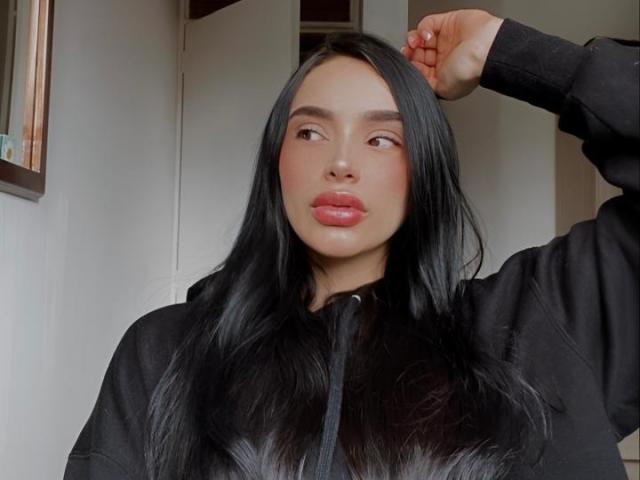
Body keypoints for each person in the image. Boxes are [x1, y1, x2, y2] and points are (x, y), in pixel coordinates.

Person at [63, 8, 639, 480]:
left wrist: (504, 49)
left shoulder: (533, 330)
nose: (340, 162)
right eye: (311, 131)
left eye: (382, 138)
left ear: (424, 170)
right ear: (277, 164)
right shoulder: (164, 352)